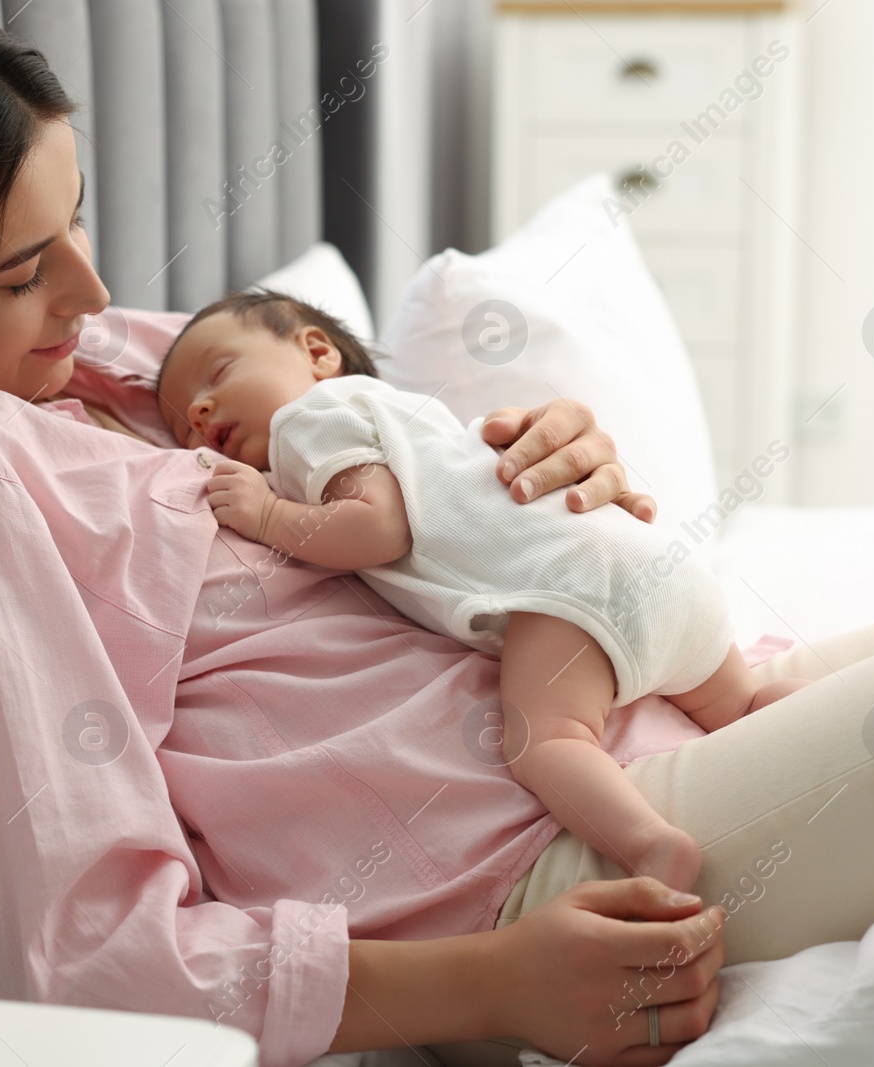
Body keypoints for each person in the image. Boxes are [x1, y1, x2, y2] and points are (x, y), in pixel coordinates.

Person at [0, 3, 874, 1066]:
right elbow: (82, 946)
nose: (95, 293)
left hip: (669, 701)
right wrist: (497, 980)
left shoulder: (119, 363)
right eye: (25, 269)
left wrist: (541, 458)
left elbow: (406, 482)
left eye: (79, 213)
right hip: (536, 875)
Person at [154, 291, 810, 894]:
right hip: (660, 567)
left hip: (570, 594)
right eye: (183, 422)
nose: (200, 410)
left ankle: (652, 847)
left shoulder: (310, 420)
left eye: (217, 375)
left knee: (545, 743)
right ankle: (825, 719)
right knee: (745, 701)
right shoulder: (417, 417)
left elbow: (377, 526)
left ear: (316, 352)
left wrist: (268, 515)